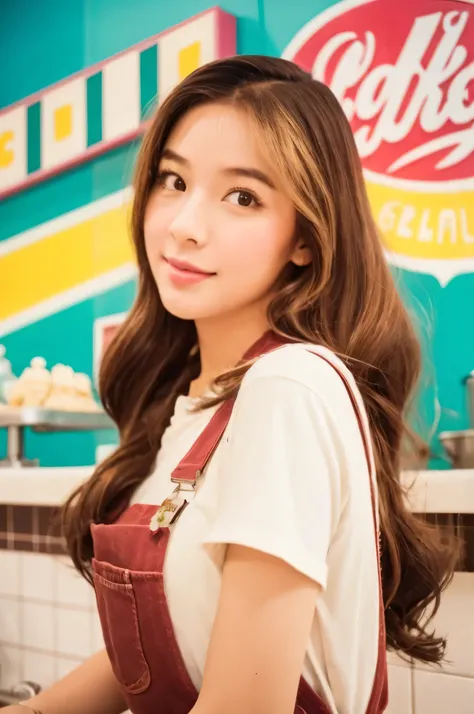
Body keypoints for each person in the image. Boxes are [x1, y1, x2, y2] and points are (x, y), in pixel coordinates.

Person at [11, 55, 457, 714]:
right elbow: (182, 638)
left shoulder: (288, 389)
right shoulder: (192, 407)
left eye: (242, 196)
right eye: (173, 180)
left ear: (304, 237)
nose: (185, 224)